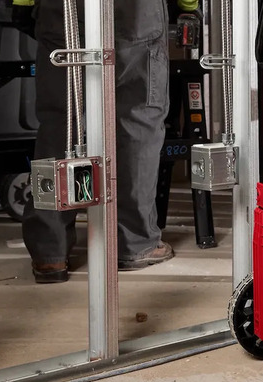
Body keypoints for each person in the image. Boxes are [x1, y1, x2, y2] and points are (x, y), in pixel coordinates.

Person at [13, 0, 199, 283]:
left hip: (62, 8)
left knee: (61, 121)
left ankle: (50, 252)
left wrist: (23, 3)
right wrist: (187, 4)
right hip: (135, 11)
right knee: (137, 120)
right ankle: (133, 243)